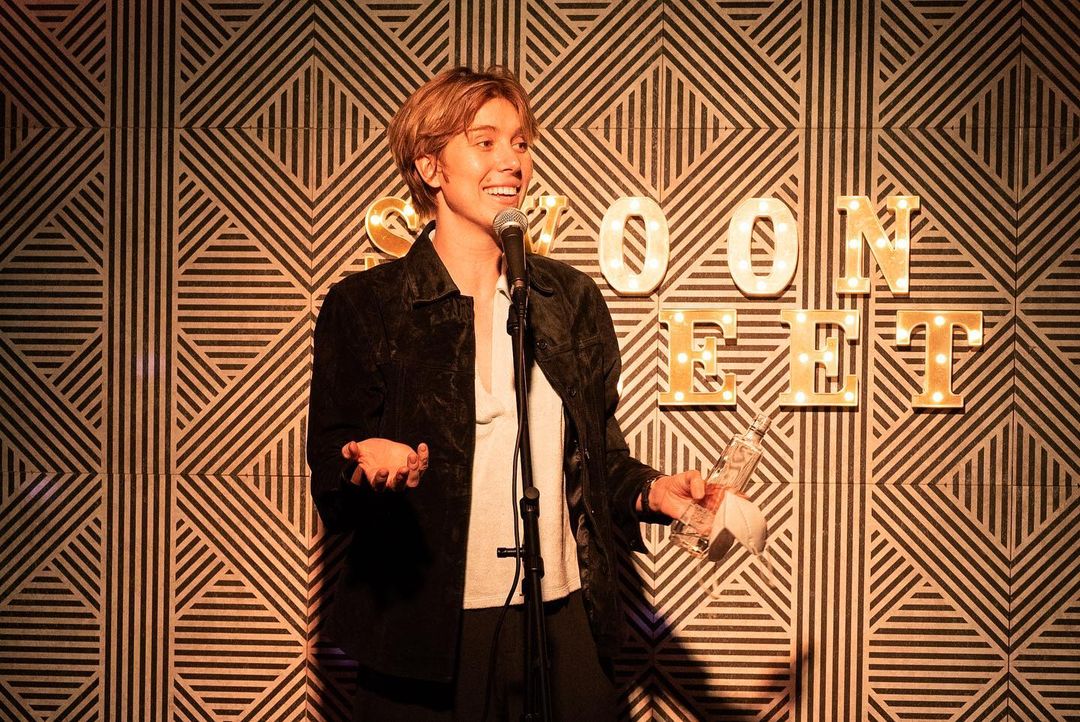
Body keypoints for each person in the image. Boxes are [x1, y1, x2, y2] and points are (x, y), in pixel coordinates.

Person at [307, 66, 704, 721]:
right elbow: (331, 468)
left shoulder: (568, 299)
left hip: (561, 621)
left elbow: (596, 460)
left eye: (520, 143)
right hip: (424, 633)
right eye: (485, 141)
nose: (511, 161)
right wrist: (365, 462)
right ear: (430, 167)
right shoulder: (368, 305)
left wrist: (655, 492)